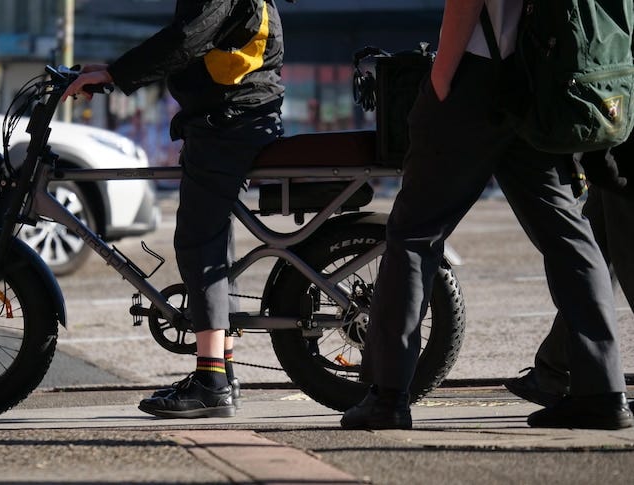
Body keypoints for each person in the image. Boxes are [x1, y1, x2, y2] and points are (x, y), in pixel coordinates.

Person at [340, 0, 633, 430]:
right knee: (569, 235)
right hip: (542, 78)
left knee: (415, 232)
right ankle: (602, 391)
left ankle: (387, 395)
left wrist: (440, 79)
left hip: (475, 77)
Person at [61, 0, 288, 419]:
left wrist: (115, 73)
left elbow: (186, 40)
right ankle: (222, 372)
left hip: (230, 121)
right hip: (236, 116)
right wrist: (112, 71)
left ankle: (211, 382)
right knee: (214, 245)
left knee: (199, 242)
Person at [504, 140, 634, 409]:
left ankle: (555, 372)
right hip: (616, 141)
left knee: (623, 252)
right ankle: (554, 370)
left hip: (624, 139)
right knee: (595, 252)